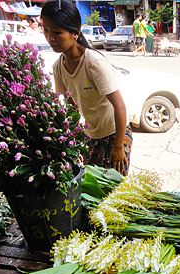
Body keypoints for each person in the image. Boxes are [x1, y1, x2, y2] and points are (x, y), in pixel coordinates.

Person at [40, 0, 132, 175]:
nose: (50, 38)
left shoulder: (93, 63)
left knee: (114, 187)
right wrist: (74, 143)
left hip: (116, 133)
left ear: (75, 33)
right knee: (91, 186)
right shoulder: (58, 67)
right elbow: (70, 109)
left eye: (57, 32)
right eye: (46, 30)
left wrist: (118, 146)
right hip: (91, 136)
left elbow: (119, 106)